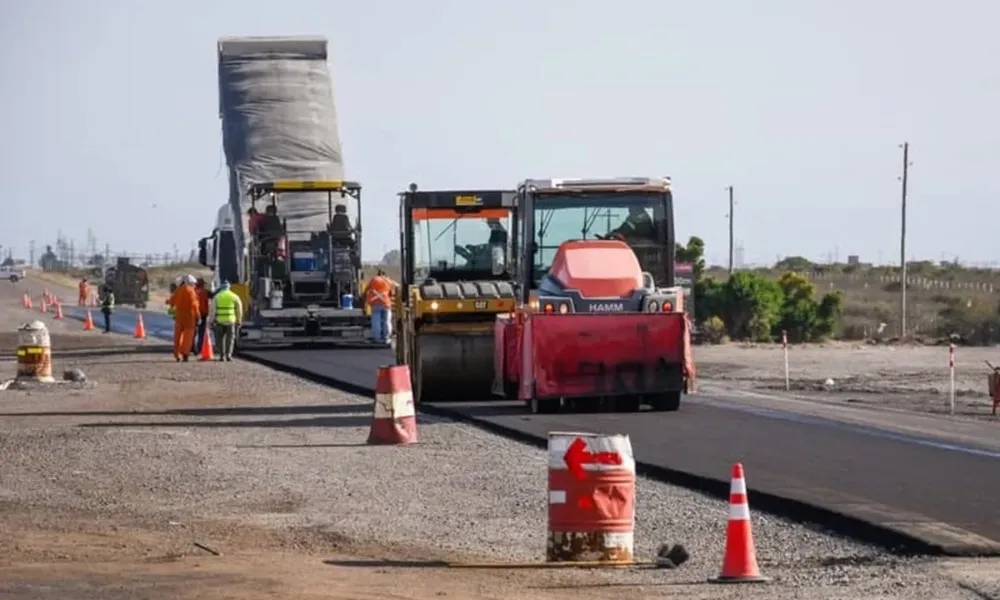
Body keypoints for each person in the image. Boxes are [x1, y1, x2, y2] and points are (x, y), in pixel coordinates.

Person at [167, 275, 201, 362]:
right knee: (188, 337)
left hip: (179, 317)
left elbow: (171, 302)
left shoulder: (178, 290)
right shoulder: (191, 291)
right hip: (189, 318)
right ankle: (185, 354)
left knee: (177, 337)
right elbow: (195, 305)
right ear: (190, 283)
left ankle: (176, 354)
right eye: (193, 284)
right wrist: (198, 316)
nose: (194, 286)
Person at [210, 280, 244, 362]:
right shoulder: (234, 296)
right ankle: (228, 355)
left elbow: (213, 310)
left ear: (221, 287)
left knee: (220, 339)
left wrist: (211, 320)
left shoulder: (217, 297)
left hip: (220, 321)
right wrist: (239, 320)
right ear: (229, 287)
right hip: (231, 320)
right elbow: (239, 309)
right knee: (230, 339)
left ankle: (222, 356)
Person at [364, 269, 396, 344]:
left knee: (376, 321)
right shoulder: (388, 280)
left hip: (375, 303)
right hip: (386, 303)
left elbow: (366, 290)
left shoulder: (374, 279)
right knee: (387, 321)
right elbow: (394, 290)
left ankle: (377, 338)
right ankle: (386, 338)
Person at [192, 278, 211, 355]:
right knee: (201, 333)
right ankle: (199, 348)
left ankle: (192, 348)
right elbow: (213, 295)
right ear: (202, 284)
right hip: (203, 315)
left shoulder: (192, 291)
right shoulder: (205, 292)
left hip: (193, 314)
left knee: (193, 333)